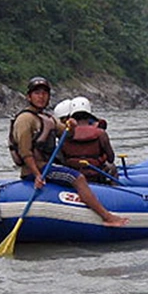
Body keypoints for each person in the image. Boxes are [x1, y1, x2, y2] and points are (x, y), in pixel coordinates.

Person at [8, 76, 128, 227]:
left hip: (45, 167)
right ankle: (107, 217)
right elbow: (25, 151)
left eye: (44, 93)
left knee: (71, 175)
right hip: (36, 169)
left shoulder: (48, 118)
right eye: (37, 93)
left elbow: (68, 134)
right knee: (77, 178)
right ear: (29, 96)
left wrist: (71, 126)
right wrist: (37, 175)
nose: (41, 96)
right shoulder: (25, 119)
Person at [60, 98, 118, 182]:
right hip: (96, 174)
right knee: (112, 167)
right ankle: (114, 191)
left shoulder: (65, 134)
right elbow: (111, 158)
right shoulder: (100, 133)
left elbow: (61, 158)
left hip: (73, 176)